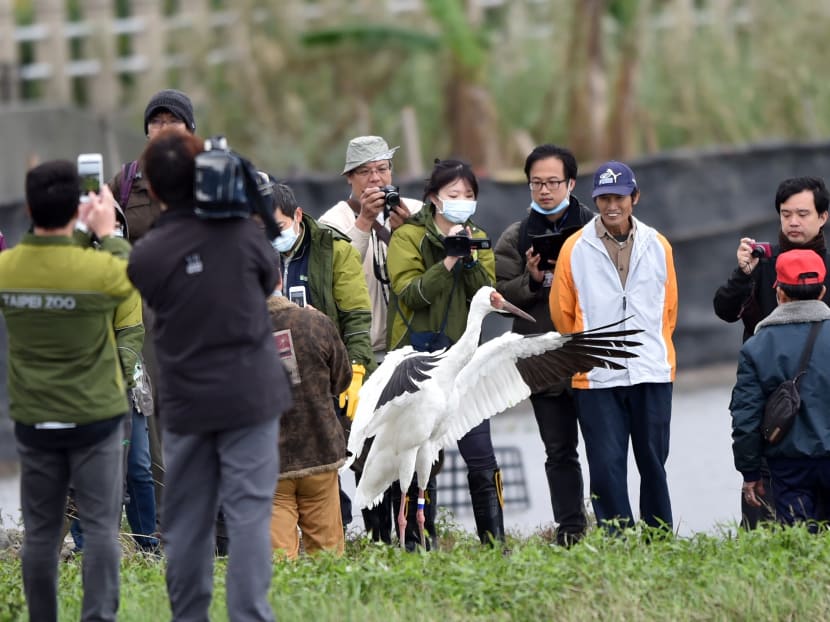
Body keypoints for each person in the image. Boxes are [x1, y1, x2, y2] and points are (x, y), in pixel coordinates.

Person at [127, 129, 292, 621]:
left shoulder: (149, 254)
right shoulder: (243, 234)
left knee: (187, 525)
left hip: (187, 404)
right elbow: (271, 273)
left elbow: (146, 283)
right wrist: (249, 202)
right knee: (247, 518)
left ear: (153, 189)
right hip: (251, 396)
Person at [0, 161, 135, 621]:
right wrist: (108, 228)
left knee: (39, 534)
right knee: (99, 529)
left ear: (28, 207)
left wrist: (75, 230)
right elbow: (127, 271)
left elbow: (49, 261)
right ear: (77, 207)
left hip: (36, 422)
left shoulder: (8, 269)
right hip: (95, 420)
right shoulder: (98, 270)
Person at [550, 160, 678, 532]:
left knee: (653, 461)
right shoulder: (575, 248)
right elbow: (562, 313)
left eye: (619, 197)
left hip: (651, 371)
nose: (611, 206)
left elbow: (668, 309)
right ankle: (616, 538)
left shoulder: (658, 245)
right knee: (606, 466)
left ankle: (658, 536)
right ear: (594, 200)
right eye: (603, 198)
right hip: (596, 378)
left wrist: (651, 349)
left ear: (634, 198)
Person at [387, 158, 504, 548]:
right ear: (434, 198)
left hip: (461, 366)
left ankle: (495, 544)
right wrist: (448, 259)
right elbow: (411, 293)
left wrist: (468, 258)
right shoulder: (408, 238)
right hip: (419, 366)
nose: (462, 201)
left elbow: (488, 295)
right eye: (454, 195)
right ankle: (421, 544)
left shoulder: (479, 238)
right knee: (421, 459)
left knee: (481, 457)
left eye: (469, 195)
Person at [318, 135, 421, 543]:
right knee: (367, 449)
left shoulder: (411, 212)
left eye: (383, 169)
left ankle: (415, 531)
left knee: (411, 444)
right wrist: (364, 223)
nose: (377, 179)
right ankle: (379, 536)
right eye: (366, 172)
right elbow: (333, 276)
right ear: (350, 178)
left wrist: (405, 232)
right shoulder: (333, 223)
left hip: (406, 352)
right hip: (358, 354)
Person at [713, 176, 830, 528]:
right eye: (786, 214)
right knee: (763, 519)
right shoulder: (763, 264)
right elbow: (724, 310)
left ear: (823, 216)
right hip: (773, 412)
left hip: (822, 409)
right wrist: (742, 274)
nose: (793, 222)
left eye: (803, 214)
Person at [494, 144, 593, 546]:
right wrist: (532, 280)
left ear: (570, 182)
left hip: (592, 357)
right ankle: (570, 529)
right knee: (559, 451)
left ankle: (617, 522)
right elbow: (500, 299)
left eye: (553, 182)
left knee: (608, 447)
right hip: (543, 362)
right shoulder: (516, 237)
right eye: (537, 183)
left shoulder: (593, 226)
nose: (545, 191)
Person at [109, 88, 197, 533]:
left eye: (173, 121)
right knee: (154, 416)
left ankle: (214, 521)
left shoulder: (207, 180)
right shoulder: (126, 183)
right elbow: (101, 237)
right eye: (156, 122)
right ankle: (165, 525)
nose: (163, 129)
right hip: (144, 320)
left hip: (199, 314)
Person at [730, 249, 830, 529]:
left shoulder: (756, 347)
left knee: (800, 544)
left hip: (788, 467)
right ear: (822, 292)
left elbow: (745, 416)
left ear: (780, 295)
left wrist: (750, 472)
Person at [267, 260, 353, 559]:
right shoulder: (314, 323)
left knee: (278, 563)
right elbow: (342, 380)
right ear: (279, 276)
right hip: (319, 451)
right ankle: (331, 606)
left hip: (269, 465)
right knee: (328, 558)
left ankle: (283, 607)